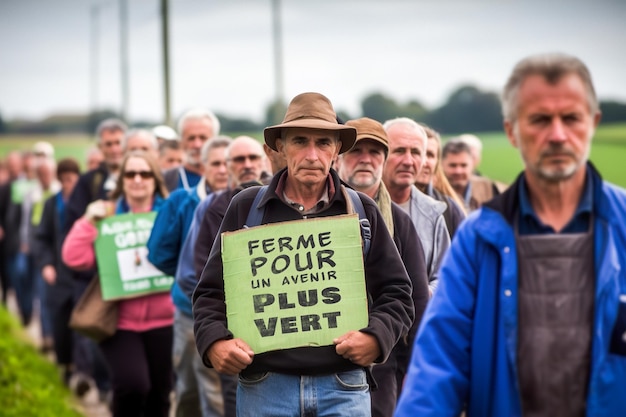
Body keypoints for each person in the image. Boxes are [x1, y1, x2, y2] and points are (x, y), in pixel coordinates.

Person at [394, 53, 626, 417]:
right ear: (511, 131)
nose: (557, 134)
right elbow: (438, 367)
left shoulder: (623, 224)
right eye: (539, 120)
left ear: (593, 124)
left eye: (571, 118)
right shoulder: (478, 238)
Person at [193, 92, 414, 417]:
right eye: (300, 141)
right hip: (264, 387)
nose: (312, 155)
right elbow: (210, 294)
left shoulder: (362, 211)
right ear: (280, 147)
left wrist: (376, 338)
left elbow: (398, 293)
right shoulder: (246, 208)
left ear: (336, 150)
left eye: (323, 142)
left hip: (344, 387)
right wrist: (215, 343)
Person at [62, 151, 173, 417]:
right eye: (130, 174)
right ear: (121, 180)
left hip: (165, 321)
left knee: (160, 394)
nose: (137, 179)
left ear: (155, 179)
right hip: (119, 322)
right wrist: (88, 221)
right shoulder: (107, 217)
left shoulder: (169, 213)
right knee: (133, 386)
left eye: (144, 173)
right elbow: (74, 257)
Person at [334, 117, 429, 417]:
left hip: (383, 362)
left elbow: (415, 299)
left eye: (374, 152)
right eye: (356, 150)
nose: (365, 159)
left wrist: (417, 372)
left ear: (384, 160)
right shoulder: (312, 215)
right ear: (338, 157)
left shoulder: (400, 223)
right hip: (319, 361)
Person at [148, 135, 231, 417]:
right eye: (216, 163)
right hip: (189, 310)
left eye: (226, 163)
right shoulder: (183, 202)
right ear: (203, 166)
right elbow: (158, 252)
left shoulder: (248, 200)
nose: (222, 170)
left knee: (218, 391)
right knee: (188, 389)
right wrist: (189, 279)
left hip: (235, 314)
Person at [382, 117, 450, 294]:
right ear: (381, 154)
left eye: (416, 152)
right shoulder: (359, 207)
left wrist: (424, 294)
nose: (408, 161)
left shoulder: (434, 212)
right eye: (399, 151)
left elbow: (446, 274)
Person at [34, 158, 82, 385]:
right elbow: (42, 238)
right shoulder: (51, 204)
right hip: (58, 274)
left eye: (71, 180)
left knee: (82, 326)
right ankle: (66, 366)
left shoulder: (85, 204)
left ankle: (83, 372)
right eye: (63, 180)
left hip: (81, 275)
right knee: (60, 324)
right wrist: (46, 265)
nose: (67, 184)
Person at [415, 124, 466, 237]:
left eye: (431, 155)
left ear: (437, 163)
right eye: (418, 153)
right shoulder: (380, 205)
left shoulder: (450, 210)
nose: (425, 162)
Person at [164, 108, 220, 191]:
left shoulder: (227, 178)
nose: (197, 145)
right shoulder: (167, 180)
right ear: (181, 141)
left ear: (215, 141)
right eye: (191, 138)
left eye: (203, 138)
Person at [442, 139, 505, 211]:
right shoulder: (434, 192)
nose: (458, 171)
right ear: (441, 165)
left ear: (472, 165)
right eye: (453, 165)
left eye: (463, 165)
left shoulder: (488, 188)